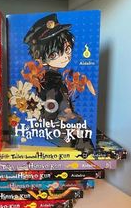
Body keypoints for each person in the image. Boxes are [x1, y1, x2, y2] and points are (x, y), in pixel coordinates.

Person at [23, 13, 93, 149]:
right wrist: (66, 122)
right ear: (41, 59)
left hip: (60, 125)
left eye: (67, 49)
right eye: (55, 54)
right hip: (56, 129)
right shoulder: (50, 81)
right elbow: (50, 110)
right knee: (81, 142)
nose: (65, 56)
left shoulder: (54, 77)